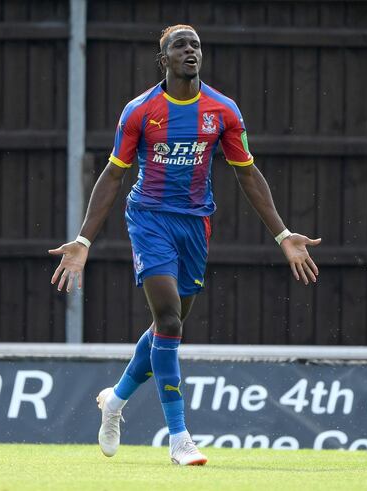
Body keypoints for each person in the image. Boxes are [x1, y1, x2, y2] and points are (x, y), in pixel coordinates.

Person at [49, 24, 321, 466]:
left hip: (195, 226)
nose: (190, 50)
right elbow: (114, 174)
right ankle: (179, 438)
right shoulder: (139, 111)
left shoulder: (224, 110)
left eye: (195, 44)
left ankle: (115, 401)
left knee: (166, 328)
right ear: (165, 59)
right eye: (180, 45)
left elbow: (247, 173)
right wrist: (83, 239)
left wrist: (283, 234)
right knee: (170, 320)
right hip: (149, 219)